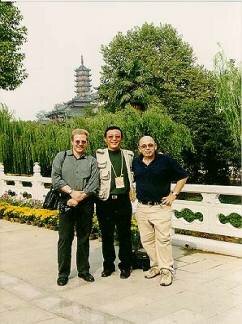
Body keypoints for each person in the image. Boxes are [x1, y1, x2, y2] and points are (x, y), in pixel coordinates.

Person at [132, 136, 188, 286]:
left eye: (150, 145)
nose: (147, 148)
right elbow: (133, 179)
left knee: (163, 240)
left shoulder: (165, 161)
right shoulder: (136, 162)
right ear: (139, 148)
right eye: (144, 146)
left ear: (155, 146)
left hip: (160, 207)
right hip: (142, 208)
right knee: (147, 240)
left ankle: (166, 270)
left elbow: (183, 176)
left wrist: (174, 195)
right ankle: (155, 265)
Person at [51, 129, 99, 286]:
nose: (80, 144)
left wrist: (79, 198)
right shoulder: (61, 157)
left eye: (83, 141)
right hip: (66, 201)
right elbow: (56, 179)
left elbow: (94, 183)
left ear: (86, 142)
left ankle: (83, 270)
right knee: (65, 238)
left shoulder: (91, 160)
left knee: (84, 238)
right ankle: (63, 273)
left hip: (85, 202)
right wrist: (71, 193)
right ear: (72, 141)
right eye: (77, 141)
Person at [95, 126, 134, 279]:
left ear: (121, 138)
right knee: (107, 235)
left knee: (125, 235)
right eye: (110, 136)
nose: (114, 139)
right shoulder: (99, 155)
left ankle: (125, 266)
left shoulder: (128, 155)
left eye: (117, 136)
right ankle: (108, 266)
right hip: (105, 201)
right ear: (105, 139)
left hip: (123, 200)